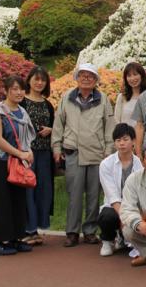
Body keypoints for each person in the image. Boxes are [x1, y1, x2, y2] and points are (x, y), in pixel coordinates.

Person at [52, 63, 116, 247]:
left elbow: (108, 127)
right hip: (73, 152)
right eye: (83, 75)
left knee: (94, 195)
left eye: (90, 75)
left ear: (96, 80)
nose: (86, 78)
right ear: (77, 78)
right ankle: (72, 232)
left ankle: (90, 231)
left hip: (97, 153)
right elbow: (58, 124)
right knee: (74, 195)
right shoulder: (67, 97)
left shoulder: (103, 99)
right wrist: (56, 148)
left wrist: (108, 151)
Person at [0, 75, 36, 255]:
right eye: (14, 89)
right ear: (6, 91)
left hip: (17, 163)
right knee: (1, 202)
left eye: (21, 88)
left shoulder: (22, 112)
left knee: (17, 200)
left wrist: (27, 152)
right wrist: (19, 153)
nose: (18, 92)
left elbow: (26, 137)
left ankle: (15, 238)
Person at [20, 66, 55, 246]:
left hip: (44, 153)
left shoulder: (47, 104)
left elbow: (56, 127)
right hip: (26, 154)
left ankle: (37, 229)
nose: (39, 82)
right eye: (36, 79)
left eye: (43, 80)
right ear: (29, 80)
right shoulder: (21, 102)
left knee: (43, 190)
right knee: (27, 190)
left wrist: (51, 130)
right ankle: (28, 229)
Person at [98, 123, 143, 256]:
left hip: (134, 205)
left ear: (133, 141)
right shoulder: (106, 164)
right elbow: (112, 195)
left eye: (125, 139)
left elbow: (140, 193)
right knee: (107, 216)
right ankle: (108, 240)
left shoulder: (140, 164)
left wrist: (131, 215)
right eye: (118, 140)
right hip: (114, 206)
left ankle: (128, 239)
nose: (121, 143)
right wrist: (124, 217)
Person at [115, 62, 146, 127]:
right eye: (129, 75)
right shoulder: (122, 97)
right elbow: (117, 121)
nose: (132, 78)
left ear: (142, 75)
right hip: (125, 135)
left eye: (135, 74)